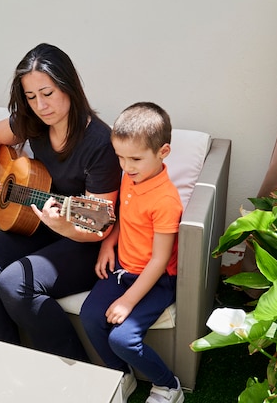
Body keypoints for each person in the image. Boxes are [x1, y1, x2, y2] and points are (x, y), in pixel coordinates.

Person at [0, 43, 121, 362]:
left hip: (82, 242)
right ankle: (0, 358)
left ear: (68, 85)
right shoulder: (31, 122)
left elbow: (99, 226)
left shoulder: (101, 144)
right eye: (31, 97)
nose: (40, 105)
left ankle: (77, 372)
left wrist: (64, 224)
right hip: (42, 223)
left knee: (16, 282)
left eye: (47, 93)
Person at [79, 102, 184, 403]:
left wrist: (127, 301)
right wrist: (107, 243)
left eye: (135, 158)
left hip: (156, 279)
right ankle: (122, 375)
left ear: (163, 152)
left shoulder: (165, 200)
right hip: (123, 269)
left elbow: (159, 259)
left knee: (123, 339)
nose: (126, 166)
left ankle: (168, 386)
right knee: (90, 316)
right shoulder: (131, 176)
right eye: (120, 157)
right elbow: (124, 216)